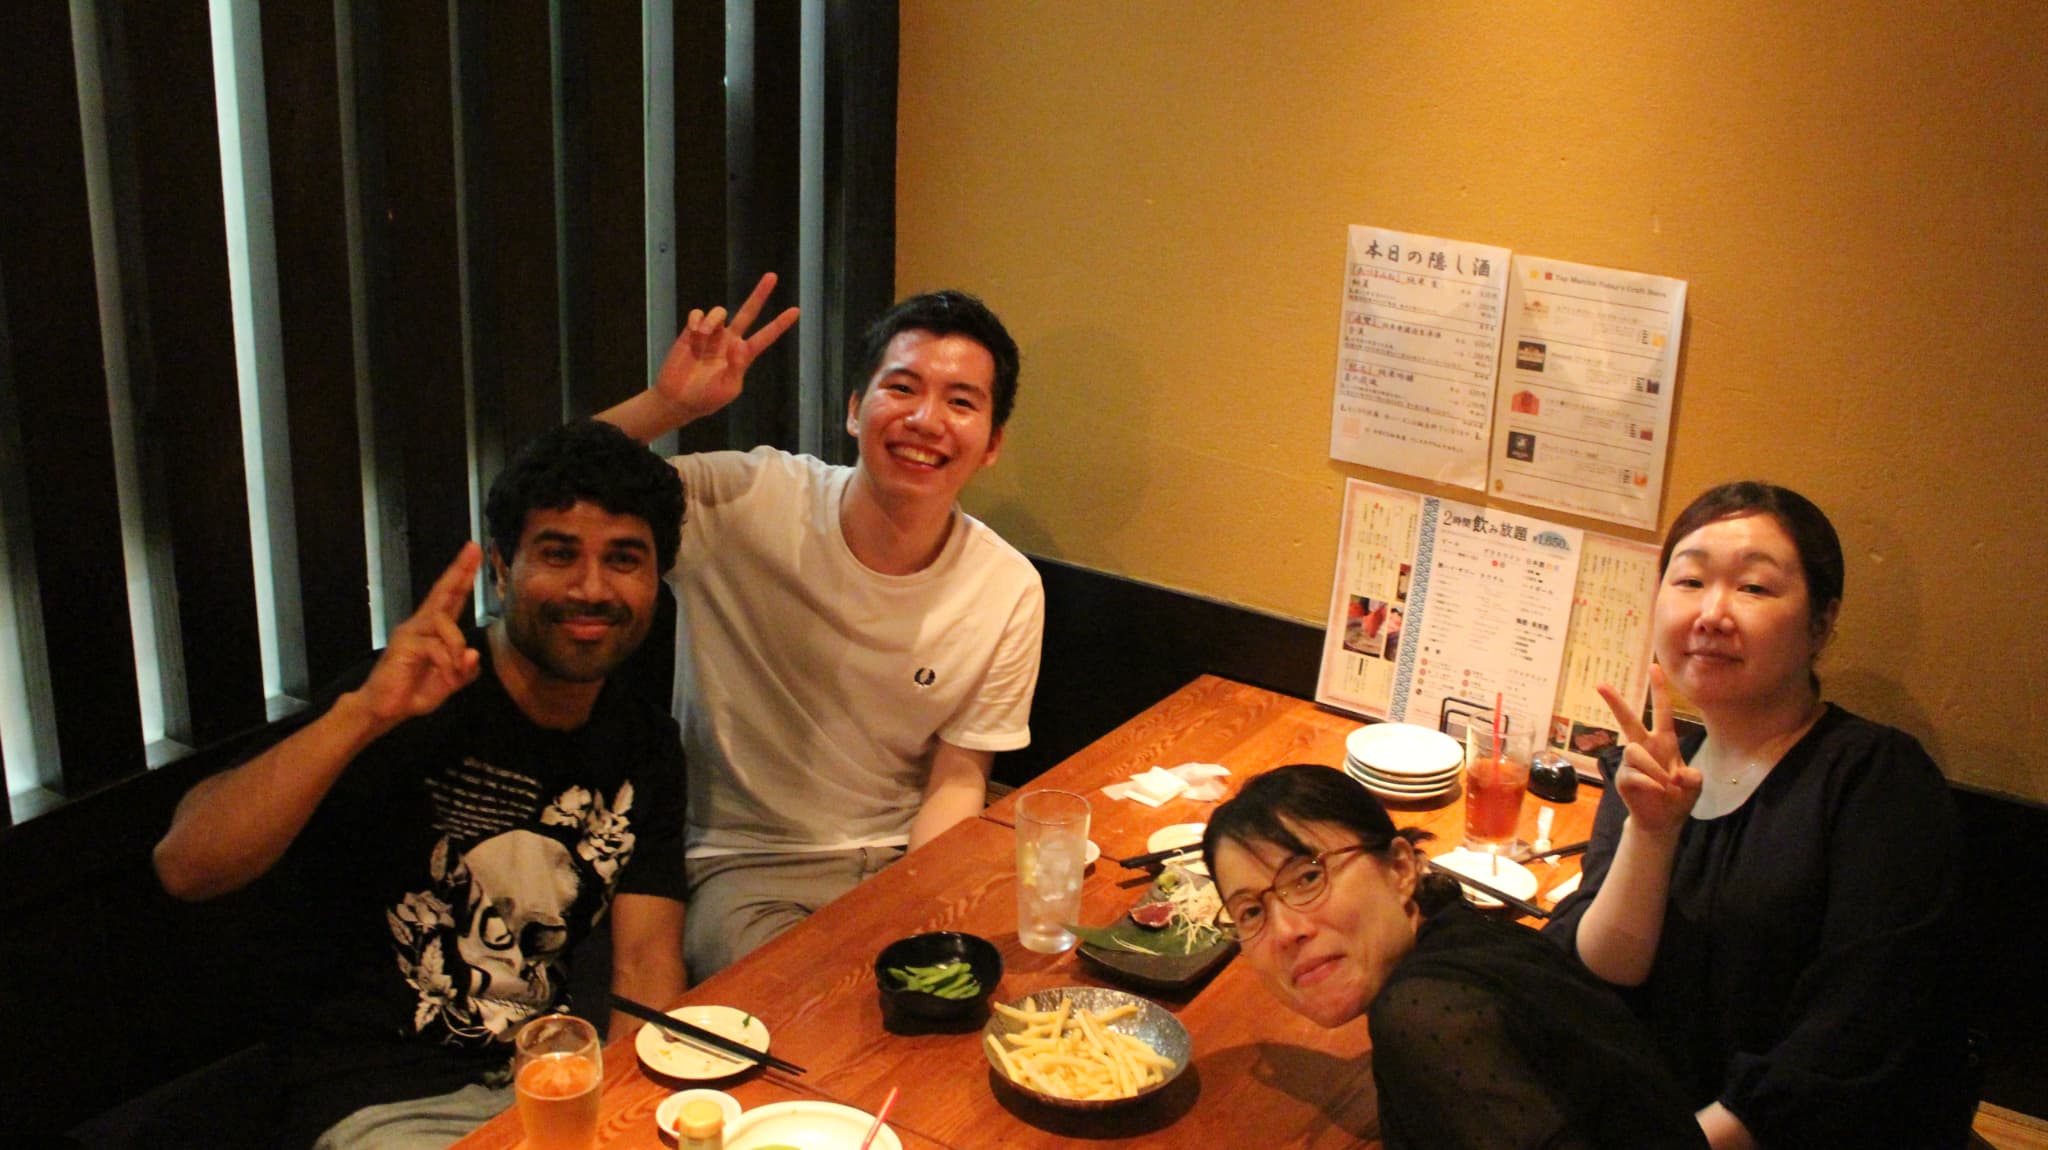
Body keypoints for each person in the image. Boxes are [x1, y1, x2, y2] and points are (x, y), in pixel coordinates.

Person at [151, 420, 690, 1148]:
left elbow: (646, 961)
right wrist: (363, 715)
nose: (592, 588)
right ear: (501, 570)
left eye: (623, 559)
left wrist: (631, 1109)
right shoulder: (410, 697)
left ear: (655, 580)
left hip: (549, 1078)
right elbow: (186, 865)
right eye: (559, 554)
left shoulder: (647, 744)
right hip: (381, 1096)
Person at [598, 275, 1043, 977]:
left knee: (997, 981)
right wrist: (668, 406)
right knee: (810, 1000)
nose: (926, 420)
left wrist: (920, 909)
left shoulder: (1007, 587)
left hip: (903, 855)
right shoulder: (747, 501)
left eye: (961, 402)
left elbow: (958, 781)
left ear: (991, 443)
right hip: (747, 866)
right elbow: (556, 489)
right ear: (855, 410)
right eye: (902, 388)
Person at [1545, 481, 1973, 1148]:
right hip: (1656, 1114)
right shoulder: (1656, 762)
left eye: (1753, 588)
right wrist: (1651, 833)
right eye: (1690, 581)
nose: (1712, 613)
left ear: (1822, 623)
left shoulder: (1875, 779)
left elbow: (1855, 1034)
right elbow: (1609, 969)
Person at [1203, 766, 1706, 1150]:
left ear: (1400, 868)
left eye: (1308, 877)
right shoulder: (1464, 934)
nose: (1286, 931)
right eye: (1251, 911)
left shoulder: (1424, 1015)